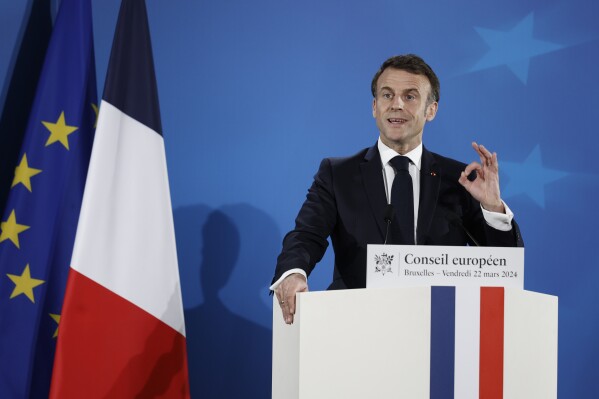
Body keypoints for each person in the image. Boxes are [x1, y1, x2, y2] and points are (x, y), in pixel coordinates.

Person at [271, 54, 523, 324]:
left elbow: (504, 267)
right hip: (355, 324)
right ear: (374, 107)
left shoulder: (460, 179)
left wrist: (492, 207)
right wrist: (294, 272)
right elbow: (306, 236)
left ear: (431, 110)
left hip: (439, 328)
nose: (396, 105)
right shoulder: (338, 174)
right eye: (387, 95)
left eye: (410, 96)